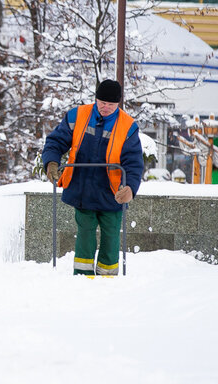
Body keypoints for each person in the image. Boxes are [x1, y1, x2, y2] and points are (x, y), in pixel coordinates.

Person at [42, 79, 144, 276]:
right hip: (83, 188)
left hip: (112, 192)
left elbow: (134, 163)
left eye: (111, 105)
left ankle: (108, 278)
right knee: (85, 233)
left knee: (111, 236)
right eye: (102, 103)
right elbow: (55, 141)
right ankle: (82, 276)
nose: (105, 108)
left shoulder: (128, 126)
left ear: (118, 104)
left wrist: (130, 188)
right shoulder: (77, 115)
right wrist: (51, 162)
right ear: (96, 99)